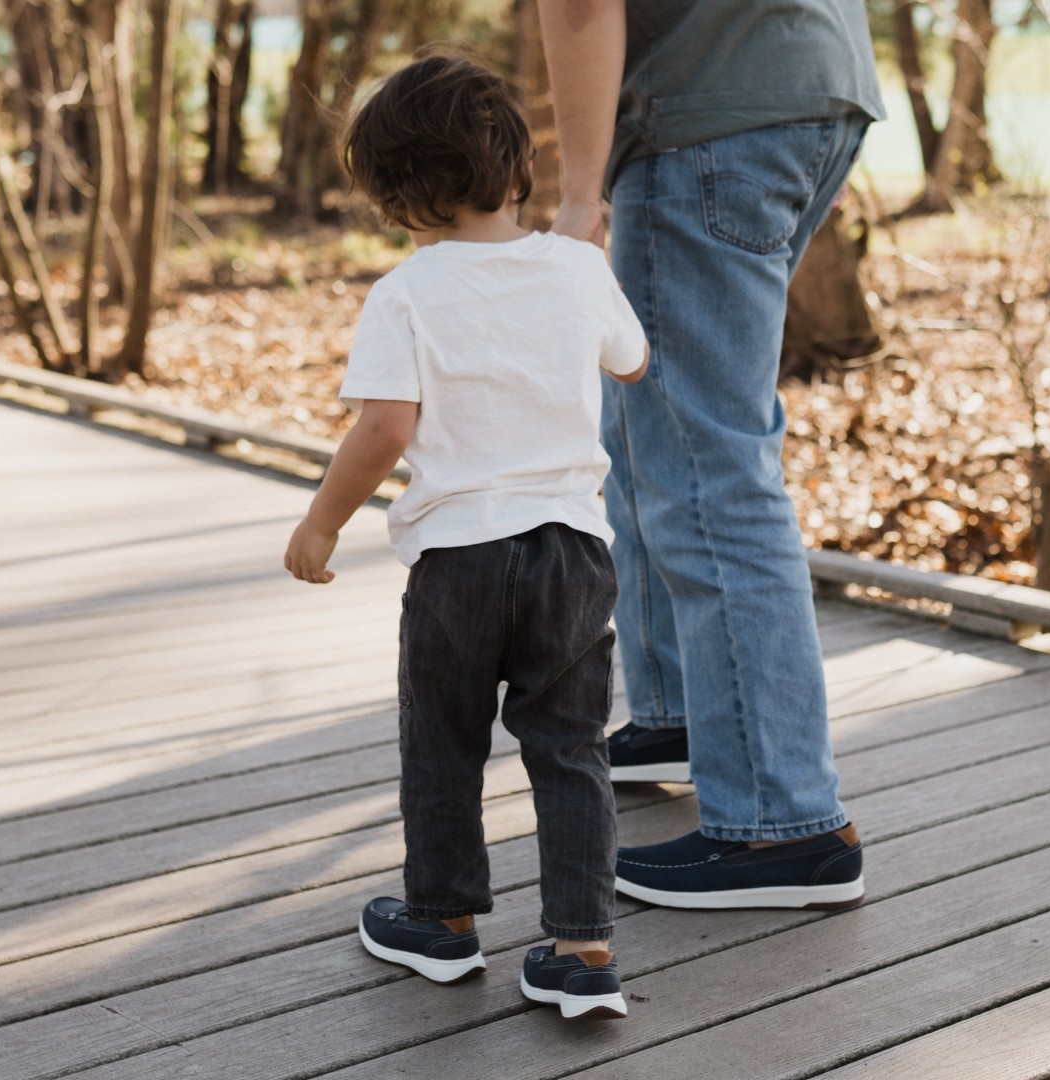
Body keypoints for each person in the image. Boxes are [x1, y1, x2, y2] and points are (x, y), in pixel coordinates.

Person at [284, 54, 648, 1019]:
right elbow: (633, 359)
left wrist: (321, 521)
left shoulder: (405, 294)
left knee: (443, 740)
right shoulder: (577, 266)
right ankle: (581, 949)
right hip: (572, 551)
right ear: (515, 166)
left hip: (460, 557)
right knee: (570, 747)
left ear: (398, 195)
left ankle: (441, 923)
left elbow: (384, 430)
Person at [535, 1, 885, 909]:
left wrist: (580, 195)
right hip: (806, 83)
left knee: (707, 464)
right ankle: (684, 717)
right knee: (653, 429)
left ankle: (782, 819)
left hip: (706, 112)